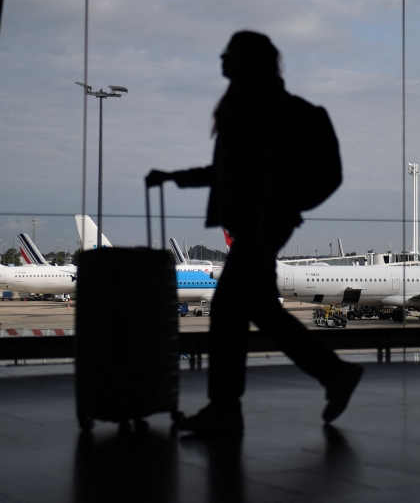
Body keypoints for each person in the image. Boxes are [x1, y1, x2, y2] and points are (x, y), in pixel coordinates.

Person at [146, 31, 362, 437]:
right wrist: (175, 177)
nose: (221, 59)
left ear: (248, 61)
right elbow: (233, 175)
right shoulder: (259, 108)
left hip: (262, 226)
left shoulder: (266, 111)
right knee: (260, 310)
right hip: (258, 224)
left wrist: (284, 208)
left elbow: (260, 176)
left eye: (229, 54)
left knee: (228, 311)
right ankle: (333, 374)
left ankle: (227, 410)